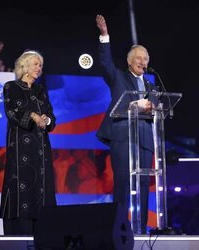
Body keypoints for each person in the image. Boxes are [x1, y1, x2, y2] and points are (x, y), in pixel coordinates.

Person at [95, 14, 157, 234]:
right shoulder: (118, 77)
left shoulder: (151, 86)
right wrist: (104, 36)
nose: (143, 62)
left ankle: (140, 229)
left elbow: (158, 110)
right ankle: (119, 229)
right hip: (123, 136)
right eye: (139, 58)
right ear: (130, 61)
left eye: (146, 58)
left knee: (142, 186)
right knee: (123, 184)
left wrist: (153, 107)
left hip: (145, 139)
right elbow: (105, 63)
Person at [0, 50, 56, 235]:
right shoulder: (11, 87)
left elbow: (51, 118)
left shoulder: (41, 91)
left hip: (41, 149)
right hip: (20, 149)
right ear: (24, 66)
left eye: (40, 65)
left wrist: (46, 120)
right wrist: (32, 115)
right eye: (35, 64)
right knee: (21, 188)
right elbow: (11, 112)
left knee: (42, 190)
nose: (39, 68)